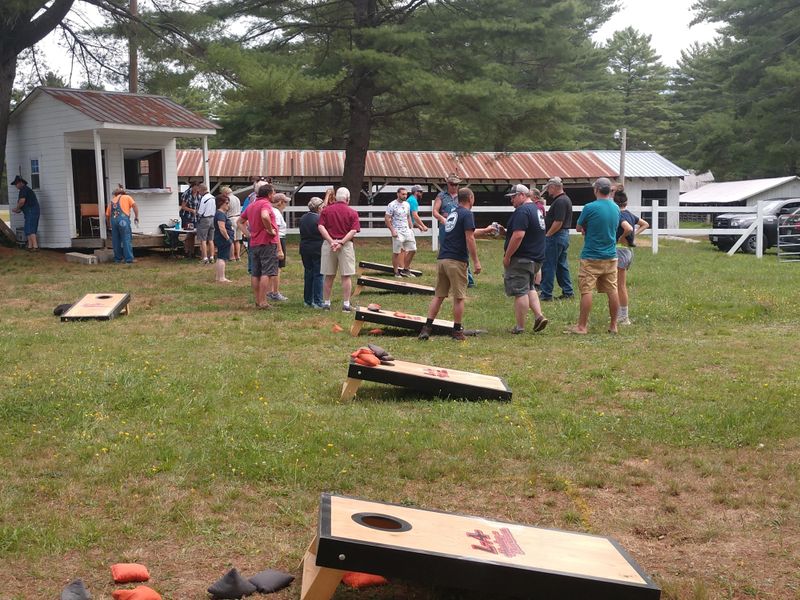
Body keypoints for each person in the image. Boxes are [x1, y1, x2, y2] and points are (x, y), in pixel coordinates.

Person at [418, 187, 485, 342]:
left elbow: (465, 232)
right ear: (471, 198)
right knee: (459, 297)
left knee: (439, 295)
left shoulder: (453, 214)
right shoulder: (467, 214)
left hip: (443, 259)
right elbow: (469, 238)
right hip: (456, 260)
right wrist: (476, 261)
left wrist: (486, 230)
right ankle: (456, 331)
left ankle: (426, 328)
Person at [568, 177, 626, 334]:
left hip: (591, 256)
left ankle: (582, 326)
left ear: (596, 190)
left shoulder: (589, 207)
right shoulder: (615, 208)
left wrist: (586, 228)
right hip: (611, 256)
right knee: (612, 290)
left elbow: (579, 227)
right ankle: (614, 325)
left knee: (587, 291)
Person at [502, 184, 548, 334]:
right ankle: (539, 316)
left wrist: (508, 256)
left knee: (520, 292)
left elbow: (519, 235)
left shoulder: (522, 211)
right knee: (530, 288)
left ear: (522, 195)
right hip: (536, 258)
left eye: (513, 197)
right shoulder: (536, 209)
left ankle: (520, 327)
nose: (512, 200)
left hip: (522, 258)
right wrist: (505, 232)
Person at [318, 186, 361, 312]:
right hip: (345, 245)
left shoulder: (326, 211)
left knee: (329, 275)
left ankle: (326, 303)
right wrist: (341, 242)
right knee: (346, 276)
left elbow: (321, 226)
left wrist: (331, 241)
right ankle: (346, 304)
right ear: (347, 199)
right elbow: (353, 230)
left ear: (336, 198)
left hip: (328, 244)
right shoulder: (352, 212)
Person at [239, 183, 280, 309]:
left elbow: (239, 222)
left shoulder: (252, 205)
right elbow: (264, 216)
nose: (274, 195)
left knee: (255, 273)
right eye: (273, 193)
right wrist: (270, 230)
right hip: (267, 243)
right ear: (269, 194)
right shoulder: (265, 204)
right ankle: (263, 302)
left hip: (254, 243)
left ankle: (257, 301)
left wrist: (248, 234)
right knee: (266, 272)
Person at [614, 188, 649, 325]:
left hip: (620, 250)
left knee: (620, 286)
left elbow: (627, 228)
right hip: (628, 251)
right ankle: (621, 315)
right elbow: (645, 224)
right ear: (626, 202)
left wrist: (622, 237)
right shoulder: (630, 215)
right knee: (619, 285)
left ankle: (623, 317)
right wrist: (635, 235)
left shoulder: (620, 216)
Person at [433, 173, 475, 286]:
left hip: (459, 227)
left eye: (456, 184)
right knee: (446, 251)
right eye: (452, 184)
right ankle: (446, 278)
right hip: (446, 227)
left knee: (463, 249)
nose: (454, 186)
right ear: (447, 184)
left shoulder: (461, 196)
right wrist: (442, 218)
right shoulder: (441, 196)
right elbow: (435, 211)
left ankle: (468, 278)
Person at [540, 176, 574, 301]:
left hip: (556, 236)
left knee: (549, 265)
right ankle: (568, 291)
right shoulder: (565, 199)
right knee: (561, 265)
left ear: (553, 187)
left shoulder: (560, 201)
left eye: (549, 189)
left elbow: (558, 222)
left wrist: (548, 235)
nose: (548, 192)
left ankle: (546, 294)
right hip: (562, 236)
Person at [299, 196, 325, 308]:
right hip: (317, 248)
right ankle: (317, 301)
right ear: (318, 208)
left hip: (304, 248)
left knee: (308, 273)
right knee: (318, 274)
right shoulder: (319, 220)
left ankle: (307, 300)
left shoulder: (303, 218)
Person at [384, 187, 416, 277]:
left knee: (413, 250)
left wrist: (411, 227)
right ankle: (396, 272)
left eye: (406, 194)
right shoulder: (392, 205)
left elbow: (408, 216)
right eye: (403, 194)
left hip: (407, 230)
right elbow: (387, 219)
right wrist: (392, 230)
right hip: (397, 231)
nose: (405, 196)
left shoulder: (407, 204)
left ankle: (405, 270)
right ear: (398, 194)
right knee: (397, 252)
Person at [105, 185, 139, 264]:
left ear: (115, 194)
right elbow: (134, 206)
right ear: (123, 193)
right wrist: (136, 216)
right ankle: (129, 259)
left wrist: (108, 224)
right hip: (123, 220)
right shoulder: (127, 197)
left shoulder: (112, 201)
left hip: (114, 221)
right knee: (126, 239)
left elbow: (107, 215)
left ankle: (118, 259)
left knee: (116, 241)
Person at [268, 193, 289, 302]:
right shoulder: (276, 213)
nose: (286, 205)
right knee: (277, 268)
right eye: (285, 202)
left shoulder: (273, 211)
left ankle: (270, 291)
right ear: (280, 202)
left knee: (273, 267)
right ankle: (274, 292)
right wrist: (279, 249)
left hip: (277, 240)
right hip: (279, 240)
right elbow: (276, 232)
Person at [11, 175, 40, 251]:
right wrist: (18, 209)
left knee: (30, 228)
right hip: (29, 212)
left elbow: (22, 202)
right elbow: (22, 206)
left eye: (16, 184)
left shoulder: (24, 189)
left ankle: (35, 247)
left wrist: (17, 208)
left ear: (21, 183)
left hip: (31, 210)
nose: (16, 186)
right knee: (27, 228)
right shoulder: (24, 190)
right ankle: (30, 246)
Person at [214, 195, 234, 283]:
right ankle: (222, 277)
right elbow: (222, 228)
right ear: (220, 204)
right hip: (223, 239)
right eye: (226, 203)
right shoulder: (220, 214)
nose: (228, 205)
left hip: (220, 238)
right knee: (222, 258)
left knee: (220, 257)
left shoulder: (219, 213)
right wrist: (228, 238)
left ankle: (219, 276)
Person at [196, 183, 217, 264]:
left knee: (203, 240)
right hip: (212, 218)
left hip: (205, 219)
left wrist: (197, 215)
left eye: (199, 191)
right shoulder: (213, 197)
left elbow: (201, 211)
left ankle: (204, 258)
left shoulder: (204, 198)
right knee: (211, 239)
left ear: (201, 190)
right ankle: (212, 257)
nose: (199, 192)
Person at [530, 187, 546, 291]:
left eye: (529, 195)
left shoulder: (538, 207)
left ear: (535, 197)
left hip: (536, 236)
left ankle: (537, 283)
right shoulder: (538, 206)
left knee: (536, 261)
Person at [179, 181, 200, 258]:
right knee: (189, 233)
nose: (197, 189)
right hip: (187, 215)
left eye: (198, 187)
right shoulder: (187, 194)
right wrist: (192, 210)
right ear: (192, 187)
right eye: (196, 187)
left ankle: (192, 251)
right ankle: (186, 251)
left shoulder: (198, 194)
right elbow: (183, 206)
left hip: (195, 216)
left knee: (193, 234)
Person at [223, 186, 243, 261]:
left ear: (225, 193)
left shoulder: (228, 199)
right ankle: (238, 256)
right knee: (237, 239)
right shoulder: (237, 198)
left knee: (231, 239)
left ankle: (232, 257)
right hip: (238, 218)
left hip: (231, 218)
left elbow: (227, 209)